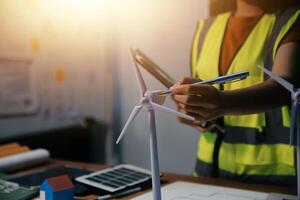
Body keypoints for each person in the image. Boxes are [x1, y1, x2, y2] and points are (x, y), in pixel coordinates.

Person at [171, 0, 300, 185]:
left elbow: (284, 86)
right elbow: (201, 92)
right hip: (209, 172)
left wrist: (221, 104)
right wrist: (190, 109)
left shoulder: (291, 20)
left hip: (270, 177)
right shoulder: (206, 28)